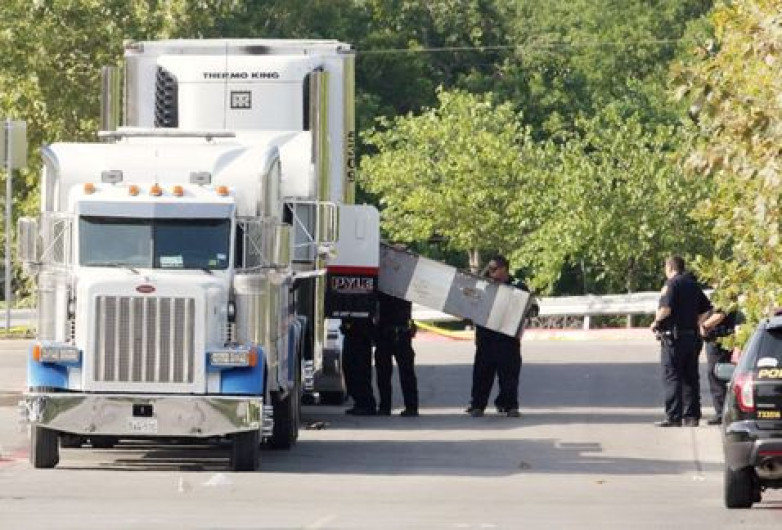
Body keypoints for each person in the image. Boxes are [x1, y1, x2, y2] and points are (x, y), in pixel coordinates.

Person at [466, 255, 535, 418]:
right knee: (482, 374)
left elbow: (533, 308)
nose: (490, 272)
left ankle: (510, 405)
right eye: (489, 268)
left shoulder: (517, 286)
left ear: (504, 269)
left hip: (507, 340)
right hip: (486, 338)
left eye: (494, 269)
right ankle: (477, 405)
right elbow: (470, 304)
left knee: (509, 375)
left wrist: (524, 309)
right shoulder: (484, 285)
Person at [650, 256, 712, 427]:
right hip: (691, 337)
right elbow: (707, 309)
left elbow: (665, 309)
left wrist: (655, 322)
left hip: (673, 339)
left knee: (672, 376)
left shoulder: (671, 284)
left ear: (670, 267)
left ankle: (673, 417)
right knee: (690, 377)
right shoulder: (693, 284)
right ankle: (692, 416)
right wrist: (697, 323)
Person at [375, 291, 419, 417]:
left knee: (387, 372)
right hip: (397, 332)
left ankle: (386, 407)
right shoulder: (402, 285)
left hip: (389, 331)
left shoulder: (385, 285)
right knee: (404, 372)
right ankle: (410, 407)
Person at [700, 306, 739, 425]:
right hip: (721, 338)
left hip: (719, 339)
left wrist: (704, 326)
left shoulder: (726, 292)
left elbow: (720, 314)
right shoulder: (727, 291)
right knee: (720, 374)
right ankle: (724, 411)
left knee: (716, 374)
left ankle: (721, 413)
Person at [341, 317, 377, 416]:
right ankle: (359, 402)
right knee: (349, 369)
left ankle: (366, 404)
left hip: (361, 334)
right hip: (351, 332)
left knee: (360, 371)